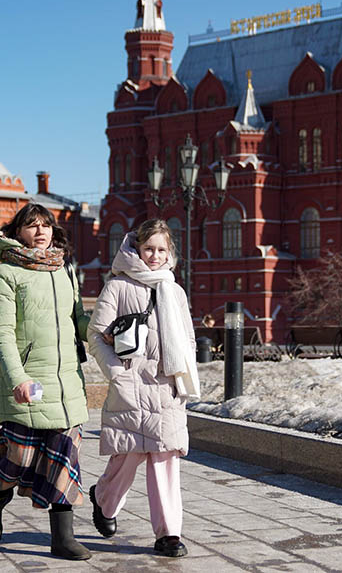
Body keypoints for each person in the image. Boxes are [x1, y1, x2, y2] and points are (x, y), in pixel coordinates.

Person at [0, 203, 91, 560]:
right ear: (17, 232)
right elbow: (2, 332)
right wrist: (18, 378)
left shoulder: (64, 269)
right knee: (18, 460)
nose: (40, 231)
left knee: (64, 459)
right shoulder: (6, 273)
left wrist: (108, 333)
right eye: (31, 225)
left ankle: (62, 538)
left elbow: (78, 321)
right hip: (29, 382)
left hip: (66, 381)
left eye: (46, 225)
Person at [87, 219, 199, 558]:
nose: (154, 255)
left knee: (165, 456)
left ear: (170, 253)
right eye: (149, 248)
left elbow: (188, 338)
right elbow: (96, 335)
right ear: (136, 248)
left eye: (161, 249)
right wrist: (117, 374)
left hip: (166, 386)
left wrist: (184, 375)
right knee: (129, 455)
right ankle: (104, 500)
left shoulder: (174, 290)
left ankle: (169, 534)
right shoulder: (118, 287)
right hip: (131, 383)